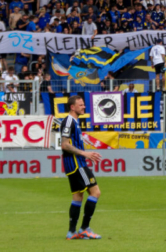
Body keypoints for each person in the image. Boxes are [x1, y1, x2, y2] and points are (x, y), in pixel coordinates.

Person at [61, 95, 102, 240]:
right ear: (72, 107)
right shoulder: (68, 122)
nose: (84, 107)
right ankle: (84, 228)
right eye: (81, 105)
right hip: (76, 163)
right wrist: (84, 153)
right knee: (95, 192)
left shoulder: (74, 122)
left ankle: (71, 232)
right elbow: (64, 144)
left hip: (73, 164)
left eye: (84, 104)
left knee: (78, 196)